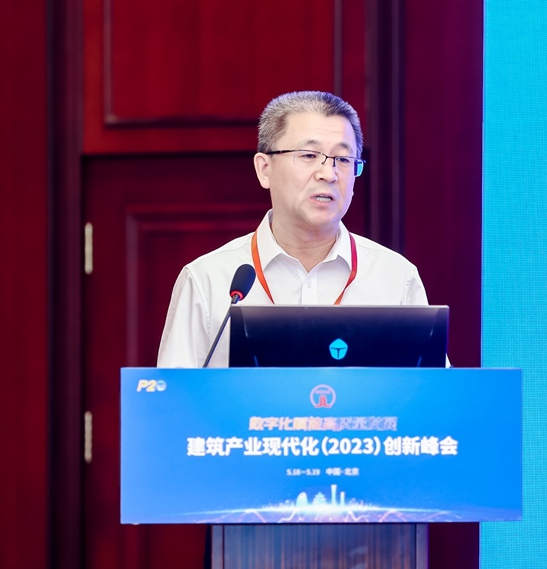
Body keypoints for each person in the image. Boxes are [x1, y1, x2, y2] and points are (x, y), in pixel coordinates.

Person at [157, 90, 429, 368]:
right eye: (309, 155)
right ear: (265, 169)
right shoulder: (208, 280)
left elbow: (435, 389)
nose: (329, 174)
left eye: (343, 159)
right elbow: (173, 393)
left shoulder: (396, 278)